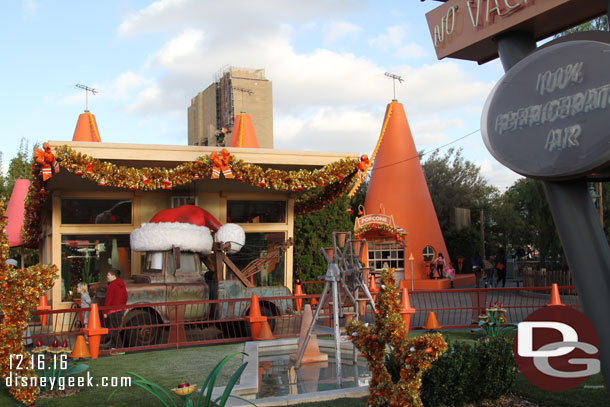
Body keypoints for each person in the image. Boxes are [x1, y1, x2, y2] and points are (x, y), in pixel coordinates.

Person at [103, 269, 128, 352]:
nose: (107, 276)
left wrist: (105, 312)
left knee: (113, 330)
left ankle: (120, 348)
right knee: (115, 329)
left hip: (112, 311)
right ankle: (114, 347)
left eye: (108, 275)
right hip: (120, 310)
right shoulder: (122, 285)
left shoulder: (111, 286)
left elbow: (108, 300)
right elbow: (125, 297)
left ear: (114, 276)